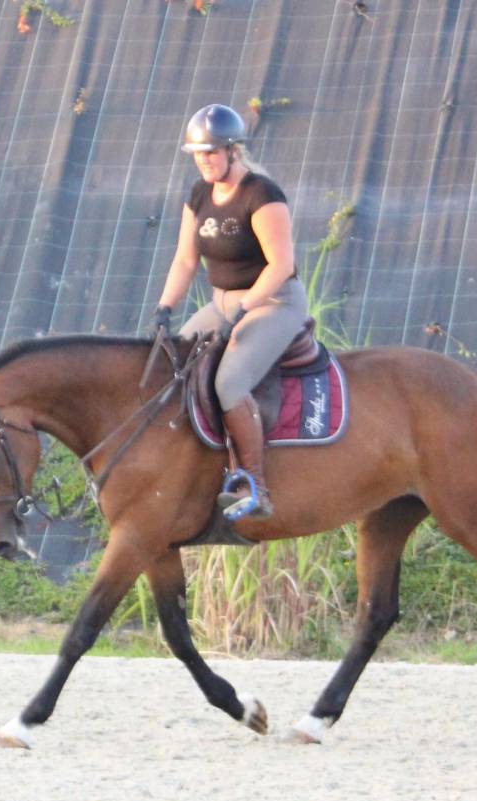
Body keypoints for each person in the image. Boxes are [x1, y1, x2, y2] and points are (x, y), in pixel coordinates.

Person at [150, 104, 308, 521]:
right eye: (197, 154)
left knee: (229, 382)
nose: (203, 161)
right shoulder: (199, 194)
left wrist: (245, 308)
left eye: (211, 153)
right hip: (223, 302)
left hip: (273, 301)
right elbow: (186, 260)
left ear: (233, 151)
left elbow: (281, 265)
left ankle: (252, 484)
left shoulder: (261, 195)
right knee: (175, 363)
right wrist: (165, 307)